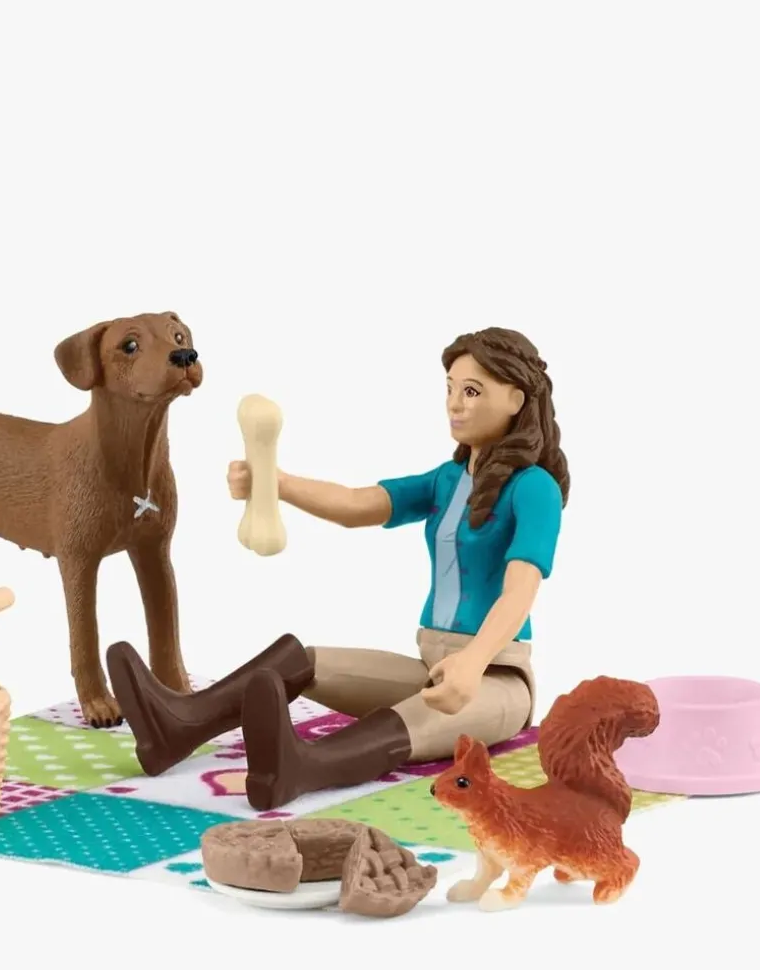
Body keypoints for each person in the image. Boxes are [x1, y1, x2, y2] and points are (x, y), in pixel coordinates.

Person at [106, 327, 569, 810]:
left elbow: (520, 591)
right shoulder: (448, 479)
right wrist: (273, 482)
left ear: (516, 399)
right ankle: (180, 725)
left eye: (472, 392)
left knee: (407, 722)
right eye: (450, 388)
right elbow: (355, 505)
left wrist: (473, 662)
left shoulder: (535, 488)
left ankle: (299, 767)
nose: (454, 404)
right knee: (302, 661)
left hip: (496, 680)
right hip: (433, 667)